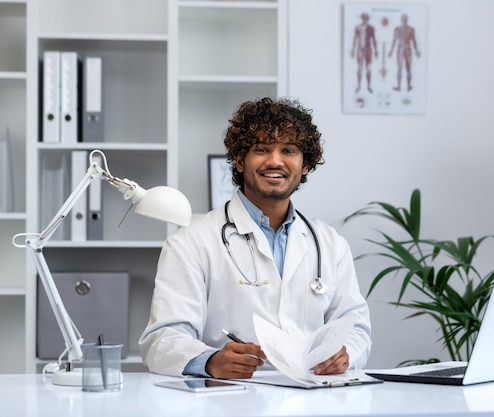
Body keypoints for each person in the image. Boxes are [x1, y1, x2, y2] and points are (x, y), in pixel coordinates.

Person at [139, 97, 372, 379]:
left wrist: (345, 355)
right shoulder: (190, 243)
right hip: (229, 400)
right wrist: (210, 360)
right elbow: (162, 339)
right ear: (239, 160)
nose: (275, 161)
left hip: (312, 398)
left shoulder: (330, 244)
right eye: (261, 149)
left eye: (289, 150)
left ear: (305, 164)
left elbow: (356, 327)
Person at [388, 13, 420, 92]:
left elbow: (414, 41)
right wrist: (391, 50)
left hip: (408, 49)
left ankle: (409, 86)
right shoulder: (397, 29)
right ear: (401, 20)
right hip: (400, 49)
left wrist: (416, 50)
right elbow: (394, 40)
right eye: (403, 19)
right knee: (399, 68)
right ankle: (399, 86)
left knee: (408, 68)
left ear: (407, 20)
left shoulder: (411, 29)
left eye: (405, 19)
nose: (404, 21)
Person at [351, 12, 378, 93]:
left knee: (368, 68)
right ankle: (358, 86)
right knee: (359, 68)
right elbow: (355, 39)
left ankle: (368, 86)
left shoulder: (371, 28)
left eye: (366, 18)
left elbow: (374, 39)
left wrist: (376, 50)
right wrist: (352, 49)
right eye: (364, 18)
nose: (365, 20)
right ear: (362, 19)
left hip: (368, 49)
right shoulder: (357, 28)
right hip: (360, 49)